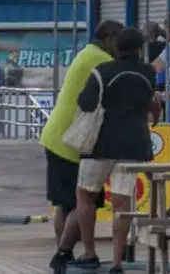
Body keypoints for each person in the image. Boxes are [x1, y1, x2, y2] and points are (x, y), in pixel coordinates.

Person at [43, 23, 119, 274]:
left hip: (57, 135)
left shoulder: (87, 53)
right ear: (109, 39)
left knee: (64, 203)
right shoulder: (102, 60)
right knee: (84, 200)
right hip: (73, 140)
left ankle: (63, 257)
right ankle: (63, 254)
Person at [70, 31, 154, 256]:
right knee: (122, 201)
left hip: (101, 143)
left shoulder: (102, 71)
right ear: (139, 48)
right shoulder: (148, 72)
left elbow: (86, 103)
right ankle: (118, 261)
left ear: (116, 48)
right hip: (135, 144)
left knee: (85, 194)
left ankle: (90, 252)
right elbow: (150, 102)